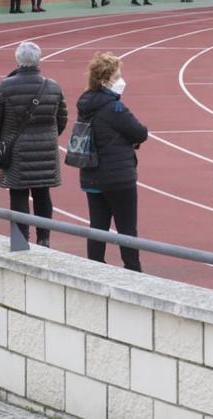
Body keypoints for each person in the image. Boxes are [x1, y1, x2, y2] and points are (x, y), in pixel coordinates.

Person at [0, 41, 68, 247]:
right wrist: (49, 136)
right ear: (38, 60)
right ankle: (44, 239)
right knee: (42, 192)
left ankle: (20, 241)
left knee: (18, 194)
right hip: (46, 150)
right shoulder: (53, 87)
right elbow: (62, 119)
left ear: (18, 60)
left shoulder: (5, 87)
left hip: (16, 151)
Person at [76, 52, 148, 272]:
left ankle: (94, 269)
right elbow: (140, 132)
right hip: (118, 177)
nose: (121, 80)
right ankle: (133, 270)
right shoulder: (115, 108)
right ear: (106, 80)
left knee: (97, 227)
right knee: (127, 228)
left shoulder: (85, 104)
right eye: (117, 76)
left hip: (91, 174)